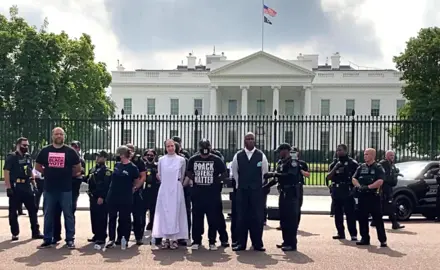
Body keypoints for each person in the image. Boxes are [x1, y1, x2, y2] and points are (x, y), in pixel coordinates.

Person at [35, 127, 81, 249]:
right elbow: (37, 166)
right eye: (56, 134)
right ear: (52, 136)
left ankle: (70, 239)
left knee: (68, 214)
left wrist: (67, 175)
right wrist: (47, 173)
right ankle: (47, 239)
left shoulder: (70, 151)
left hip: (65, 188)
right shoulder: (45, 150)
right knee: (48, 214)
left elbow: (78, 168)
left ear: (64, 136)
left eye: (61, 134)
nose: (59, 136)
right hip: (49, 188)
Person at [231, 132, 269, 252]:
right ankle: (241, 243)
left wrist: (258, 185)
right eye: (248, 139)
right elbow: (234, 172)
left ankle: (257, 243)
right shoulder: (238, 155)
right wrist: (239, 184)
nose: (250, 141)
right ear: (244, 141)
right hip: (242, 191)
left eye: (252, 139)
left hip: (256, 192)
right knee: (241, 217)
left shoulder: (261, 155)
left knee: (257, 218)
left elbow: (265, 172)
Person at [187, 139, 227, 250]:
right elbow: (188, 171)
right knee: (197, 218)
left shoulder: (217, 160)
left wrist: (216, 181)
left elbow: (224, 173)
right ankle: (196, 240)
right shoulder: (193, 159)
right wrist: (194, 178)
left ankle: (212, 241)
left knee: (213, 219)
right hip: (198, 195)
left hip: (212, 195)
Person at [3, 137, 43, 241]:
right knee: (13, 211)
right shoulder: (11, 157)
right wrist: (8, 187)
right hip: (16, 186)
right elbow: (6, 172)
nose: (26, 147)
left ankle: (35, 232)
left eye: (27, 145)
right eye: (24, 145)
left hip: (26, 186)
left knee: (33, 210)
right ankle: (15, 233)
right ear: (18, 145)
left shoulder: (27, 157)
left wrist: (34, 184)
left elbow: (30, 170)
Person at [152, 139, 188, 250]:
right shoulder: (161, 160)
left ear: (175, 147)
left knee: (176, 212)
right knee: (164, 212)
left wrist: (177, 184)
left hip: (176, 188)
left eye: (172, 146)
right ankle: (166, 238)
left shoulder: (181, 160)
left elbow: (182, 175)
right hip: (165, 188)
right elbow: (160, 174)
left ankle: (175, 239)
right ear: (165, 148)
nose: (170, 148)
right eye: (168, 146)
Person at [263, 143, 301, 251]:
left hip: (291, 193)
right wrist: (265, 187)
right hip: (283, 193)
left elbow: (290, 176)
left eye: (280, 151)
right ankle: (286, 241)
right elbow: (277, 179)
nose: (279, 154)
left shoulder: (293, 162)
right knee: (283, 218)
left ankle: (292, 243)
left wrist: (274, 174)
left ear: (286, 151)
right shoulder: (281, 162)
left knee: (291, 219)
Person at [105, 146, 142, 249]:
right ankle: (111, 239)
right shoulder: (117, 165)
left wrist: (132, 189)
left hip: (125, 196)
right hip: (113, 196)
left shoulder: (133, 168)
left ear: (122, 155)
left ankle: (124, 238)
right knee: (112, 218)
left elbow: (136, 181)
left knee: (124, 219)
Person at [352, 148, 387, 247]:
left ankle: (382, 240)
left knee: (378, 219)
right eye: (364, 154)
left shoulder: (378, 167)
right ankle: (364, 238)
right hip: (362, 196)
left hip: (373, 197)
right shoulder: (361, 167)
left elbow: (380, 181)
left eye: (367, 154)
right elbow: (354, 178)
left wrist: (369, 187)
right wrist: (359, 187)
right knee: (362, 218)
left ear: (372, 156)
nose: (365, 156)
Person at [52, 141, 86, 243]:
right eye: (71, 147)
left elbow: (79, 173)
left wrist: (67, 174)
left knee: (70, 213)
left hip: (72, 189)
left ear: (78, 149)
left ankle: (70, 237)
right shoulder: (63, 157)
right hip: (60, 188)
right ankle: (56, 235)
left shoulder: (80, 160)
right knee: (56, 212)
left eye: (75, 147)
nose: (73, 149)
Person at [326, 144, 358, 241]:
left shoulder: (352, 163)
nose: (338, 152)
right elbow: (328, 177)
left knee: (350, 214)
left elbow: (356, 177)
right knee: (338, 213)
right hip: (337, 190)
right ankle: (340, 233)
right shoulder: (334, 163)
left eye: (340, 150)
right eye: (337, 150)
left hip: (347, 190)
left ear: (345, 151)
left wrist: (353, 189)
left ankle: (353, 234)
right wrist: (336, 167)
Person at [276, 147, 309, 230]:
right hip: (284, 188)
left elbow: (308, 175)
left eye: (295, 152)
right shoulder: (282, 162)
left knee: (296, 208)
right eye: (292, 152)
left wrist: (300, 170)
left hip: (296, 187)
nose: (293, 154)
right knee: (283, 209)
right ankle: (283, 225)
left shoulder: (300, 163)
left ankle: (295, 225)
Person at [86, 150, 112, 245]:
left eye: (100, 156)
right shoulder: (92, 169)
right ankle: (96, 234)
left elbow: (106, 185)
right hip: (92, 196)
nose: (97, 158)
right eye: (97, 156)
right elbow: (88, 180)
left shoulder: (107, 171)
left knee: (101, 217)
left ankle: (101, 236)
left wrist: (102, 196)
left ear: (105, 158)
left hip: (100, 197)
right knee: (94, 216)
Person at [375, 150, 404, 229]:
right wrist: (394, 175)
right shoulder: (383, 163)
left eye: (393, 155)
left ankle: (375, 221)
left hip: (389, 187)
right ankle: (394, 223)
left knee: (383, 205)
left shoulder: (391, 164)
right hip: (384, 187)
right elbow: (383, 176)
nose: (392, 157)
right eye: (390, 155)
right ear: (386, 156)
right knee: (389, 205)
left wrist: (395, 174)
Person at [126, 144, 147, 245]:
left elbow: (143, 176)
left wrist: (136, 187)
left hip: (136, 191)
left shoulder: (139, 161)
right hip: (124, 192)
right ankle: (122, 237)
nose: (129, 152)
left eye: (131, 150)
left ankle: (139, 237)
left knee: (137, 216)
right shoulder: (120, 159)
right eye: (127, 150)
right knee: (124, 216)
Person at [143, 150, 161, 245]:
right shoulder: (142, 166)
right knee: (142, 212)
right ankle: (140, 233)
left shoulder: (157, 166)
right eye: (148, 155)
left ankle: (154, 232)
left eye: (152, 155)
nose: (150, 156)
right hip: (144, 192)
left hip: (154, 191)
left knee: (154, 212)